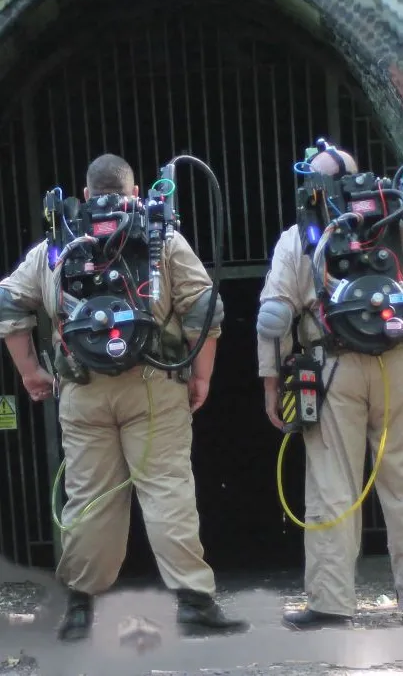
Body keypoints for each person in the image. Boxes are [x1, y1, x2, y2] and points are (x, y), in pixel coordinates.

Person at [0, 153, 248, 641]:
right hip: (153, 388)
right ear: (136, 194)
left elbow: (10, 302)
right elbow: (205, 308)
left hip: (81, 390)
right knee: (166, 490)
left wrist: (30, 372)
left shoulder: (57, 244)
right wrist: (201, 376)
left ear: (86, 195)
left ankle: (80, 609)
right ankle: (195, 602)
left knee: (88, 499)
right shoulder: (161, 238)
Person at [257, 145, 403, 628]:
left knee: (332, 484)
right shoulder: (394, 225)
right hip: (397, 363)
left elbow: (273, 317)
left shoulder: (300, 237)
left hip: (333, 368)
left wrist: (271, 384)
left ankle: (331, 603)